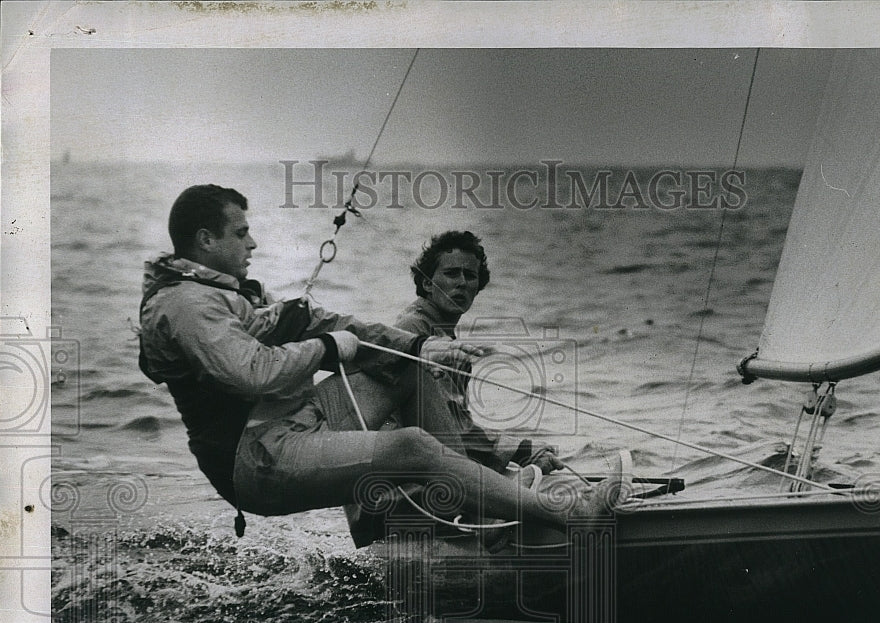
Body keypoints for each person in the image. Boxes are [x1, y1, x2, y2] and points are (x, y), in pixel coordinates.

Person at [138, 185, 630, 546]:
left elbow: (329, 321)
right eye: (241, 233)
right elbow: (254, 372)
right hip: (253, 459)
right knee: (412, 446)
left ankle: (471, 499)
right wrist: (329, 348)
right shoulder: (184, 305)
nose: (253, 245)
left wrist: (416, 348)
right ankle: (570, 516)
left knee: (407, 369)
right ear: (205, 240)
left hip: (288, 424)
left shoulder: (225, 291)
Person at [396, 230, 563, 475]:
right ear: (427, 283)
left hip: (430, 464)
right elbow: (446, 429)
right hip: (406, 477)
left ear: (478, 287)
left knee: (533, 478)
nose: (462, 282)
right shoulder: (414, 330)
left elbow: (456, 429)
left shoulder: (442, 335)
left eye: (470, 276)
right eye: (451, 273)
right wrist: (522, 450)